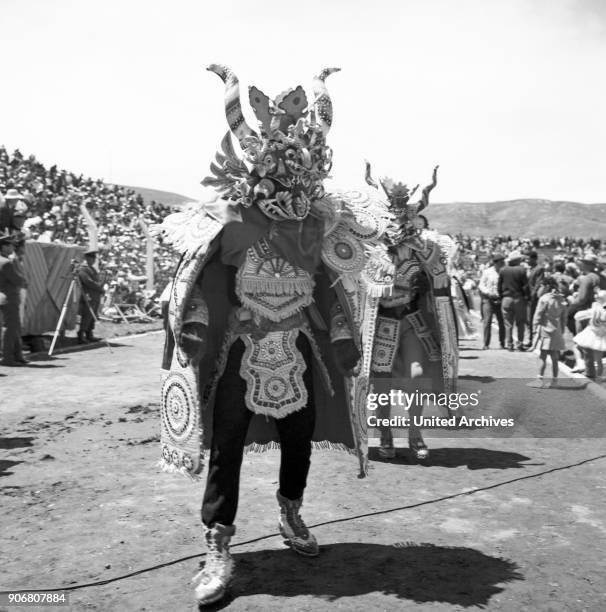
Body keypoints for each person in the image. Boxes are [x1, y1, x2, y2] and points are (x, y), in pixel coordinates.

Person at [156, 65, 390, 606]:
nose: (288, 190)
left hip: (298, 349)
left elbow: (331, 286)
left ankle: (291, 511)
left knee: (298, 440)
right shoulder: (233, 221)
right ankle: (217, 544)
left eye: (298, 178)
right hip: (243, 348)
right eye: (279, 177)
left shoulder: (318, 223)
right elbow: (204, 280)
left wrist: (341, 339)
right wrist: (191, 329)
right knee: (227, 447)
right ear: (255, 173)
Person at [363, 165, 458, 461]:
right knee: (380, 383)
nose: (400, 222)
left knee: (416, 378)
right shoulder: (374, 250)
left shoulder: (425, 249)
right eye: (394, 217)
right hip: (383, 324)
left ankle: (415, 434)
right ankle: (385, 435)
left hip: (413, 321)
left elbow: (440, 281)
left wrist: (427, 262)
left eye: (405, 216)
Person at [568, 253, 601, 372]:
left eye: (582, 262)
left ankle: (587, 368)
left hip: (586, 311)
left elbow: (581, 299)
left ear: (586, 264)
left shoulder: (587, 278)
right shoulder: (599, 277)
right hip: (599, 311)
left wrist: (571, 302)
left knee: (582, 341)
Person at [532, 276, 567, 387]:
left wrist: (534, 327)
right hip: (557, 330)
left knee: (543, 356)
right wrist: (562, 329)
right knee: (555, 357)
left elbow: (538, 314)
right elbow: (564, 317)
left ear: (546, 286)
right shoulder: (561, 299)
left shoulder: (544, 298)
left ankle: (539, 380)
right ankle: (555, 381)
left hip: (545, 329)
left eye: (542, 286)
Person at [0, 233, 28, 366]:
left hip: (5, 296)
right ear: (4, 247)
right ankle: (8, 357)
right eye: (10, 245)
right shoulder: (6, 263)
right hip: (9, 297)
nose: (12, 247)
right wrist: (24, 281)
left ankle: (17, 355)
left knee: (14, 327)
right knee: (11, 328)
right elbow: (18, 280)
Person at [498, 250, 529, 351]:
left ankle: (509, 344)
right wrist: (527, 297)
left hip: (506, 298)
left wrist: (501, 296)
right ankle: (519, 344)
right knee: (520, 323)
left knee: (508, 323)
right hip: (518, 298)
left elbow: (499, 286)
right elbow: (525, 286)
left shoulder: (503, 270)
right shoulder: (522, 270)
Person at [573, 290, 606, 380]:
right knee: (598, 360)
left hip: (590, 334)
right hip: (601, 338)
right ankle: (599, 378)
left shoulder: (595, 309)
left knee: (576, 347)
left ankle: (580, 364)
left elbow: (577, 316)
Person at [478, 253, 506, 349]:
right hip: (488, 299)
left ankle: (502, 343)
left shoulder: (504, 272)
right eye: (501, 262)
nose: (503, 263)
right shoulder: (487, 272)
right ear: (495, 263)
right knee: (487, 321)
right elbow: (481, 285)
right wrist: (488, 292)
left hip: (500, 299)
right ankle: (486, 343)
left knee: (502, 322)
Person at [77, 249, 105, 343]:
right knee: (87, 315)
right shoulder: (83, 269)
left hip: (95, 295)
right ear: (87, 258)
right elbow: (88, 282)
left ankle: (89, 333)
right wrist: (99, 288)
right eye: (91, 257)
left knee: (93, 316)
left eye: (94, 258)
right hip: (88, 295)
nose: (93, 260)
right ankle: (81, 334)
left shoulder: (92, 268)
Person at [526, 251, 545, 346]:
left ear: (534, 259)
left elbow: (538, 283)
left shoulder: (539, 269)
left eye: (528, 258)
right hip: (527, 297)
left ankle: (533, 340)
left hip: (533, 298)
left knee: (533, 319)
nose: (526, 260)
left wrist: (532, 296)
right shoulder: (529, 269)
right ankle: (531, 339)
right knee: (528, 319)